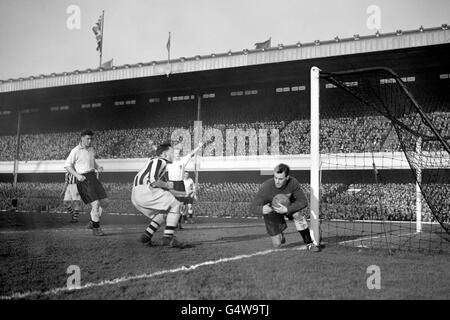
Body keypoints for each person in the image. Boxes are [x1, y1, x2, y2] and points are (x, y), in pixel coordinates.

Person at [251, 163, 320, 252]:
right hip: (271, 211)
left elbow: (303, 201)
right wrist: (262, 209)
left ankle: (309, 243)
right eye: (275, 178)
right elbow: (252, 207)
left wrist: (287, 209)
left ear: (287, 177)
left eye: (280, 179)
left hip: (288, 207)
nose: (277, 181)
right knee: (278, 244)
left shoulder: (293, 183)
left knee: (297, 214)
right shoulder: (266, 186)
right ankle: (280, 232)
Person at [131, 143, 187, 248]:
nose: (173, 155)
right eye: (171, 152)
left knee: (164, 213)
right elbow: (153, 180)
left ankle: (146, 237)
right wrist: (167, 185)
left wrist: (181, 194)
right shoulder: (160, 161)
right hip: (146, 190)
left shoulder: (153, 162)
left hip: (136, 195)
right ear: (165, 154)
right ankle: (168, 238)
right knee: (176, 205)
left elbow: (164, 188)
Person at [64, 130, 109, 236]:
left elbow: (92, 161)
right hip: (83, 179)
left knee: (105, 202)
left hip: (93, 177)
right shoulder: (75, 150)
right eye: (88, 138)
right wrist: (77, 175)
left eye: (91, 139)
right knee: (95, 203)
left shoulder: (92, 149)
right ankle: (96, 229)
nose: (90, 141)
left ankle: (92, 222)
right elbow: (67, 165)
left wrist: (98, 167)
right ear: (82, 138)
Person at [167, 143, 203, 229]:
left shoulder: (182, 160)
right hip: (171, 184)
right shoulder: (168, 162)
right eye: (175, 153)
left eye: (178, 153)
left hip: (180, 184)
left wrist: (198, 147)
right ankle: (172, 224)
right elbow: (160, 156)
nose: (177, 155)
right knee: (172, 206)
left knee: (180, 206)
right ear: (172, 153)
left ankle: (178, 223)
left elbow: (191, 154)